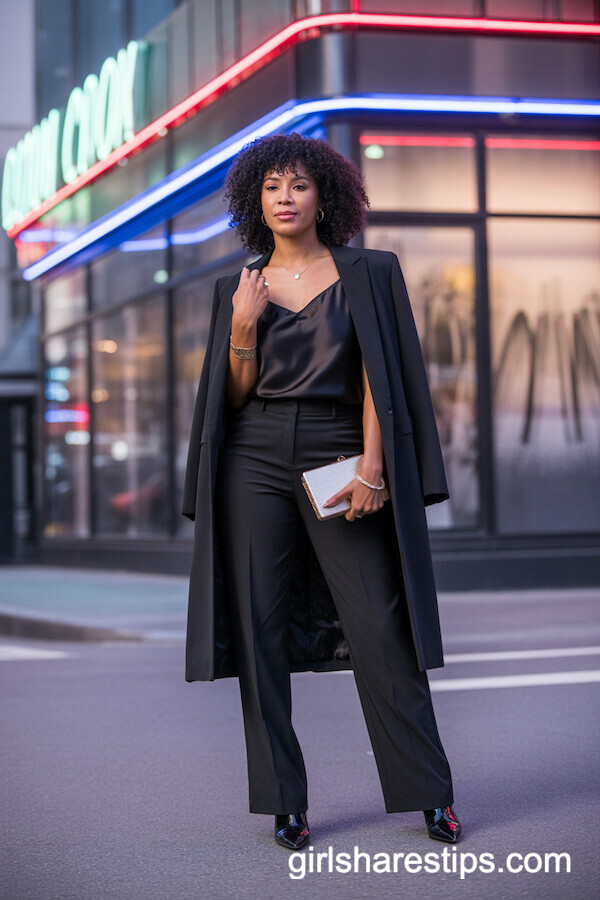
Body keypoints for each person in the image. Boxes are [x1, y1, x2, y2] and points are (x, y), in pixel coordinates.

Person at [182, 133, 461, 850]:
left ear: (324, 196)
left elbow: (380, 377)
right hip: (253, 456)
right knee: (259, 629)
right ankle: (285, 801)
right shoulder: (238, 287)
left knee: (380, 622)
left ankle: (429, 792)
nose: (285, 197)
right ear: (255, 201)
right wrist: (243, 325)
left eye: (298, 185)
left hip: (340, 449)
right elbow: (233, 396)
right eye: (272, 186)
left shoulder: (370, 271)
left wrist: (373, 468)